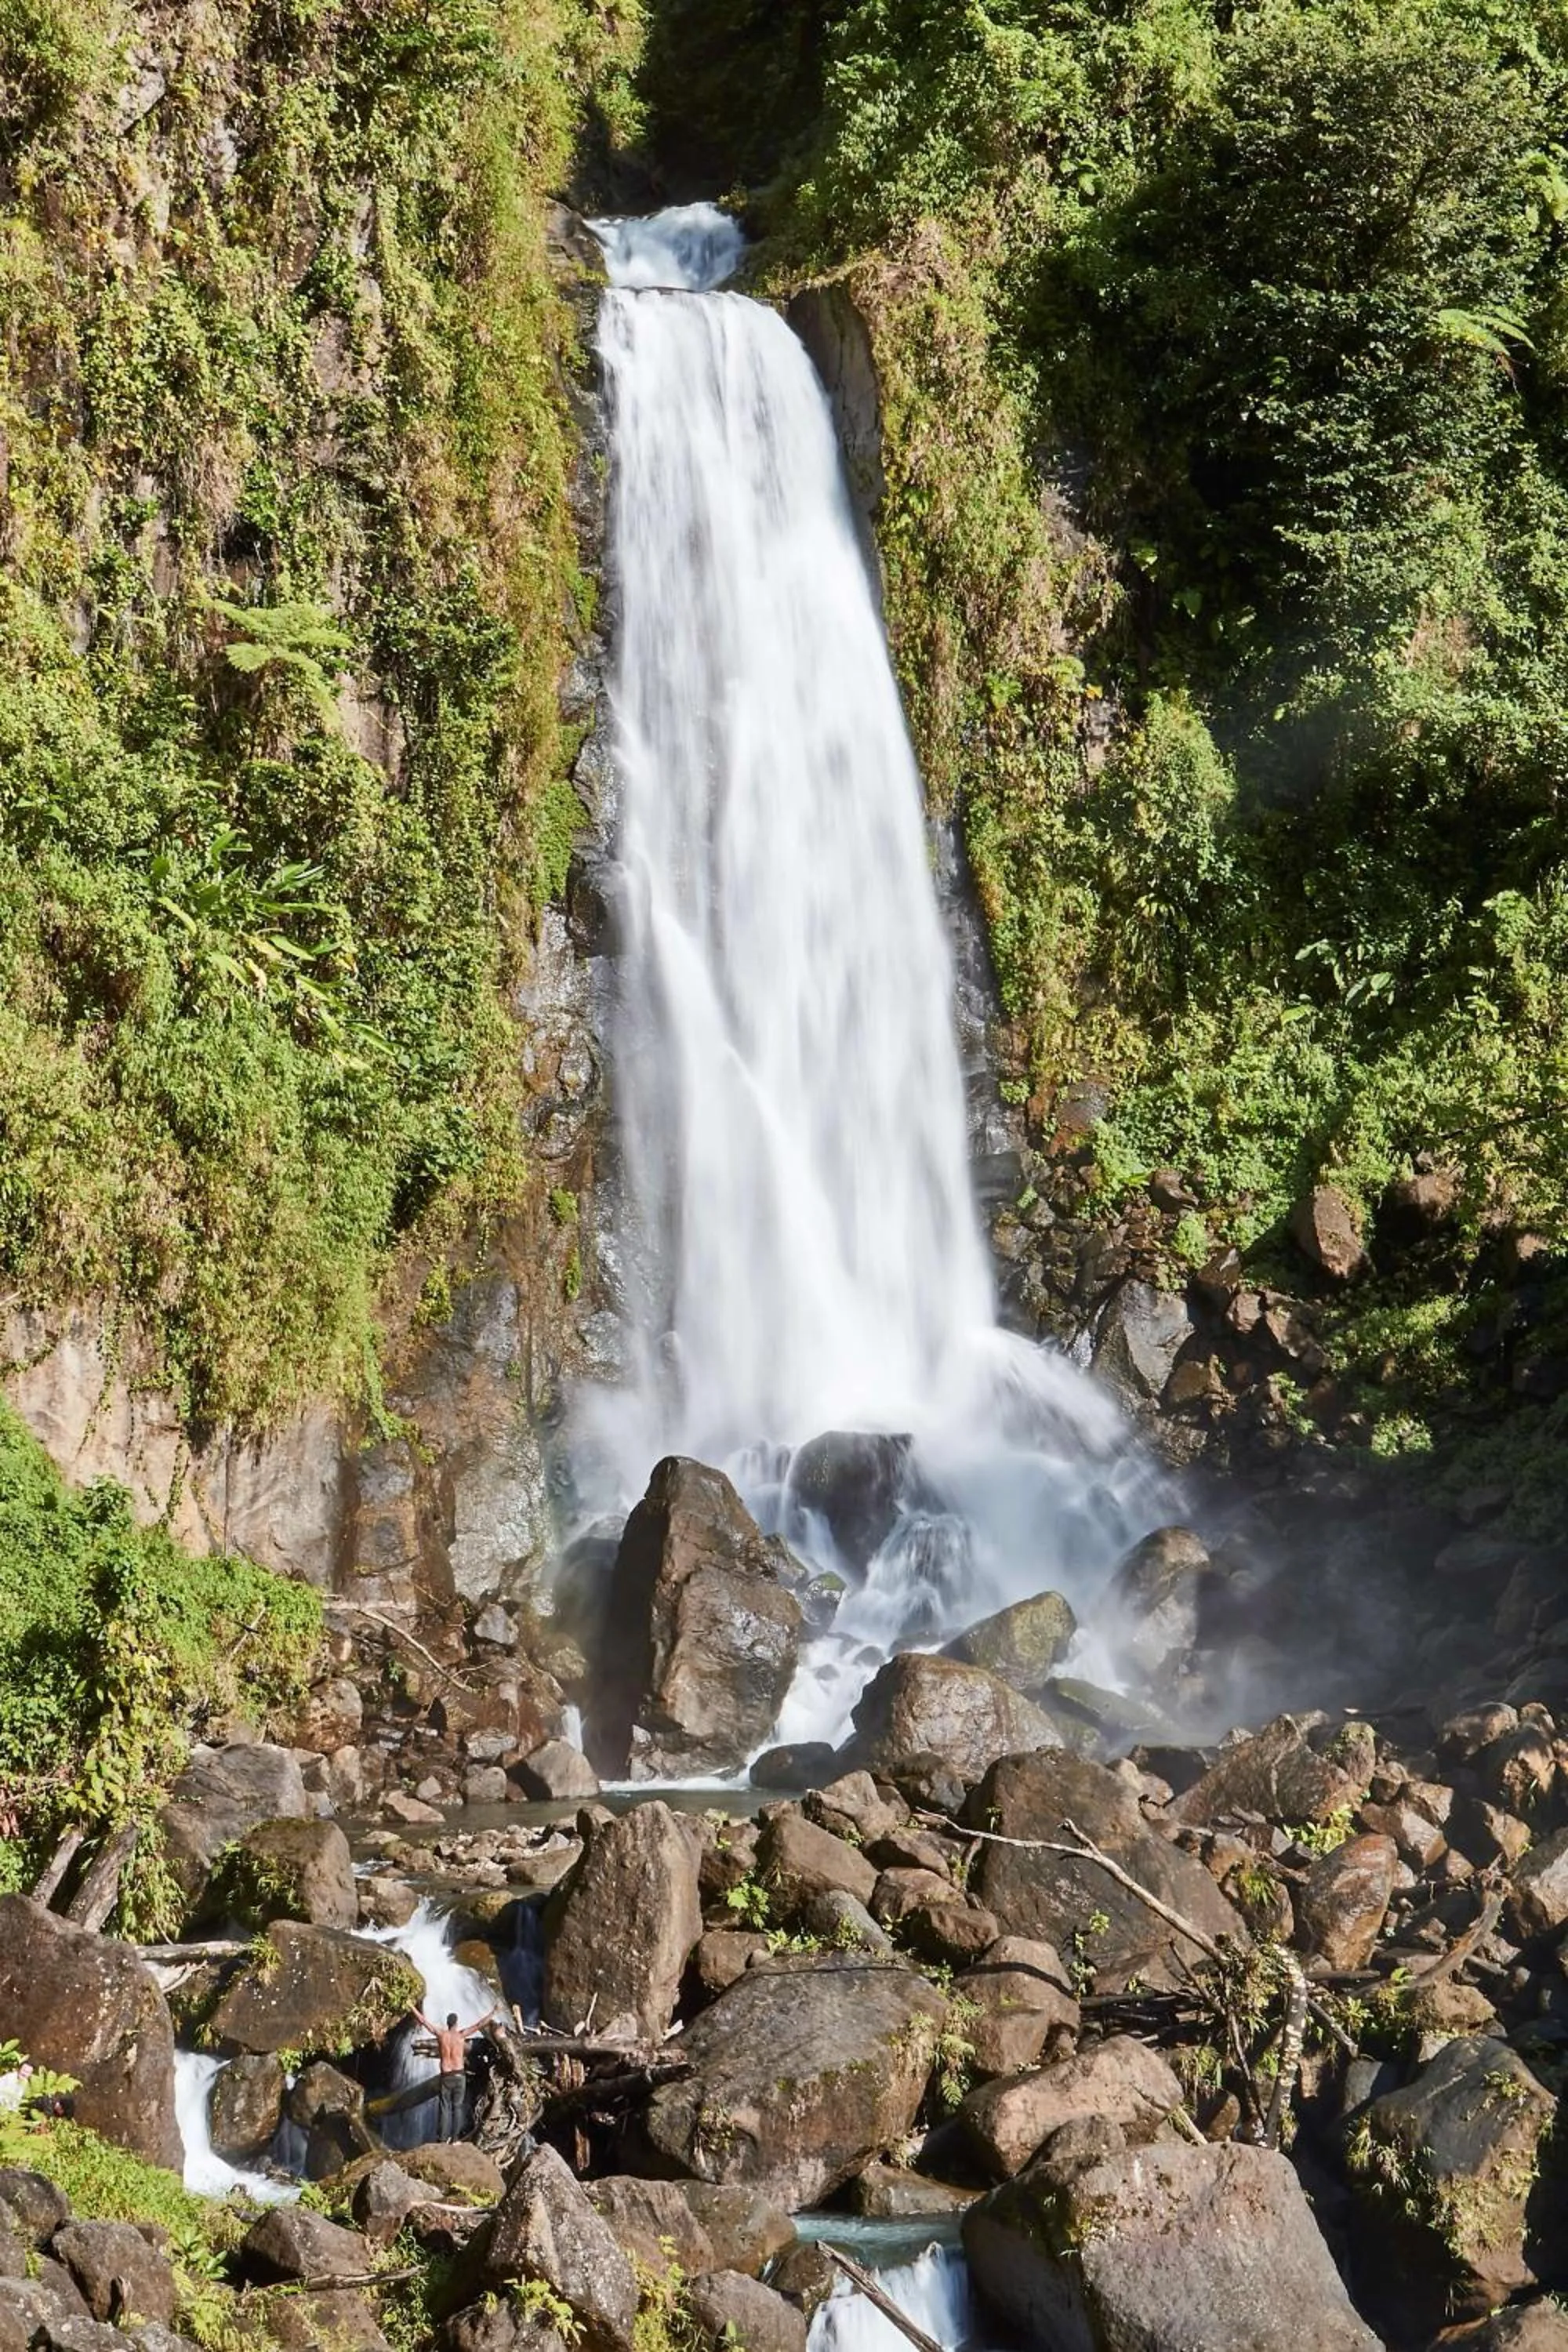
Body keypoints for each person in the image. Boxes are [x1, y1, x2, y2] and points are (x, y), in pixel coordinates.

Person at [409, 2003, 499, 2141]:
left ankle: (442, 2139)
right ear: (456, 2024)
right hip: (459, 2075)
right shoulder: (462, 2035)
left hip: (446, 2076)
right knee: (457, 2107)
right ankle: (456, 2139)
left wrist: (411, 2006)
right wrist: (494, 2011)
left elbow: (423, 2021)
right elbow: (479, 2024)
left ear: (447, 2024)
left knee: (444, 2107)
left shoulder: (441, 2034)